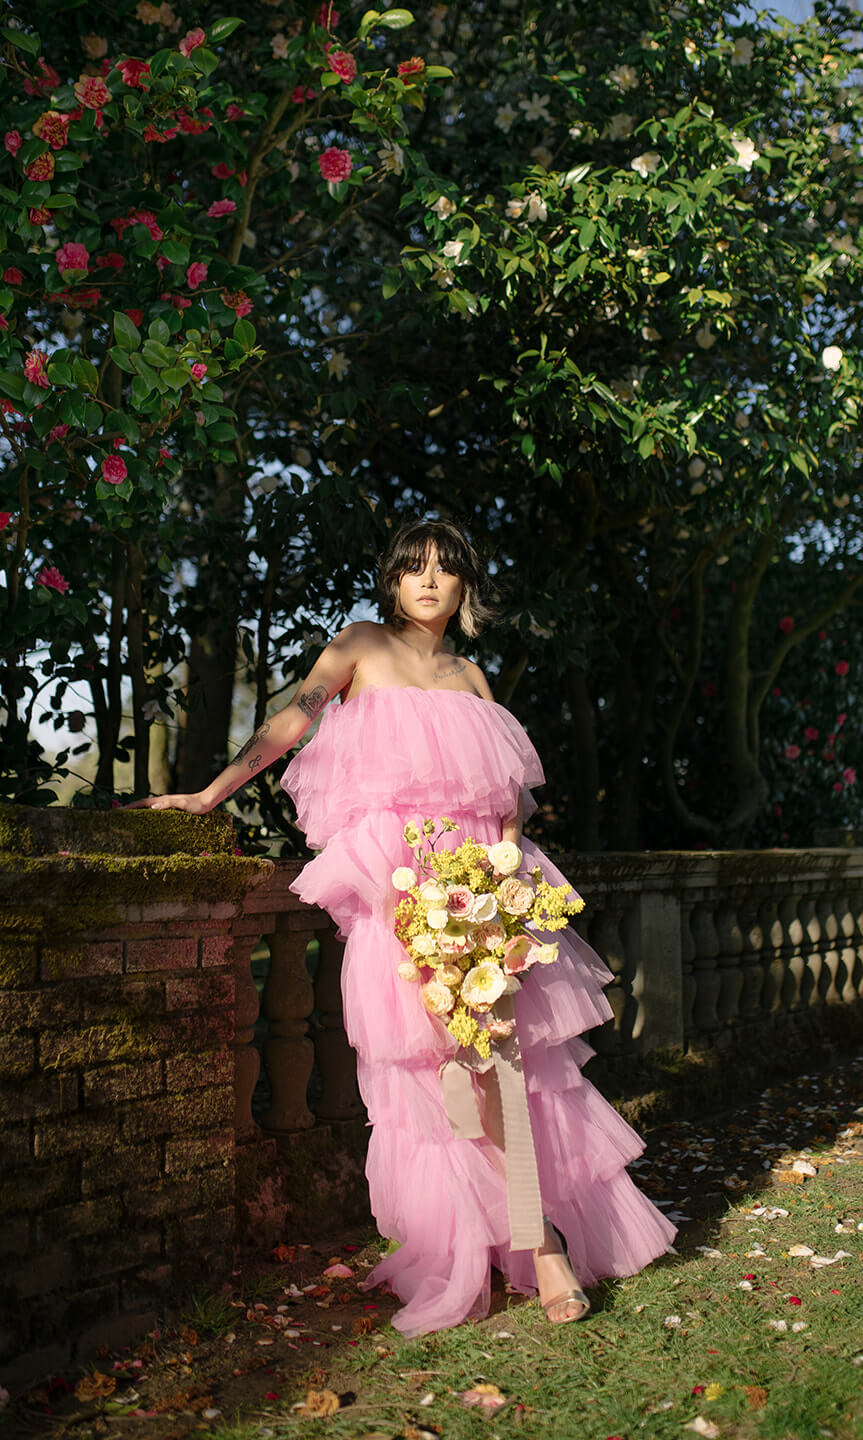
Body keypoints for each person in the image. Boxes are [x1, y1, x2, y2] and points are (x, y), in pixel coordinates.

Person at [132, 519, 676, 1333]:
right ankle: (487, 1241)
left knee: (500, 1068)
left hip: (478, 896)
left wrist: (504, 883)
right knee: (437, 1080)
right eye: (411, 566)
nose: (426, 580)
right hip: (397, 894)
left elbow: (507, 801)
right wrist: (208, 796)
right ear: (391, 579)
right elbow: (291, 721)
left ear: (464, 587)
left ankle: (542, 1243)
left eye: (443, 569)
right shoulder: (360, 645)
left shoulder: (470, 676)